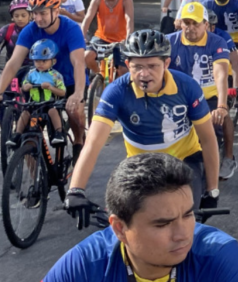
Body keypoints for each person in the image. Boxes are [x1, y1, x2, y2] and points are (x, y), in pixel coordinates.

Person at [65, 30, 220, 217]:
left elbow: (208, 139)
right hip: (139, 164)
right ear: (127, 64)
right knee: (123, 222)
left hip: (184, 160)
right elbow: (93, 144)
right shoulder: (117, 91)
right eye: (137, 67)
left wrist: (212, 191)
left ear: (167, 63)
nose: (144, 74)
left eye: (152, 66)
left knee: (185, 218)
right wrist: (76, 190)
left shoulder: (187, 87)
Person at [47, 154, 238, 282]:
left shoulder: (220, 257)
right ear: (119, 228)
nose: (183, 235)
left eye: (188, 214)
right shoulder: (83, 265)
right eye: (163, 224)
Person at [0, 0, 87, 159]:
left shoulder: (71, 29)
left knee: (74, 111)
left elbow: (78, 63)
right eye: (34, 14)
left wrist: (77, 93)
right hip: (39, 80)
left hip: (68, 78)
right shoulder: (30, 30)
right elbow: (14, 62)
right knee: (28, 123)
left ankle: (78, 140)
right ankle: (36, 177)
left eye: (43, 13)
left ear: (56, 11)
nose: (38, 19)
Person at [167, 3, 236, 180]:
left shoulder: (217, 42)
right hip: (179, 97)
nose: (190, 28)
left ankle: (222, 164)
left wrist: (222, 105)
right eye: (186, 23)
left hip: (209, 97)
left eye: (195, 23)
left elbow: (220, 74)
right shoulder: (169, 42)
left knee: (215, 126)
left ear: (206, 24)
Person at [8, 39, 68, 149]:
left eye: (43, 61)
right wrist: (25, 86)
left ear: (53, 61)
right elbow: (24, 85)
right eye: (36, 61)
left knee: (53, 111)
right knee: (25, 113)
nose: (39, 64)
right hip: (34, 104)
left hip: (49, 104)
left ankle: (58, 133)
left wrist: (51, 87)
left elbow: (63, 92)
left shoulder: (56, 75)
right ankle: (17, 134)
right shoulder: (31, 74)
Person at [82, 0, 134, 78]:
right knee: (87, 56)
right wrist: (82, 36)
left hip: (120, 40)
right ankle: (99, 76)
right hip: (101, 37)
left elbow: (129, 20)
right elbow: (87, 18)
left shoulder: (126, 0)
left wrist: (128, 39)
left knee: (123, 70)